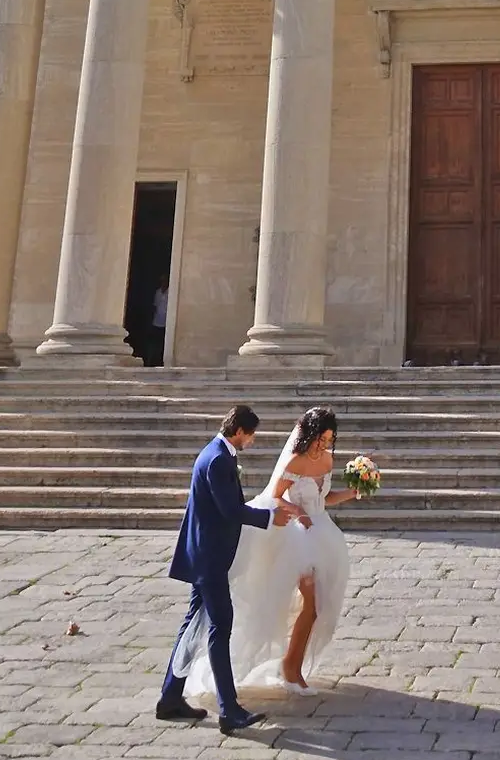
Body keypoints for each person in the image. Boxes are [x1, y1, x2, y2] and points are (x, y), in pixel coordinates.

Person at [184, 404, 358, 701]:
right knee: (311, 605)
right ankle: (291, 669)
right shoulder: (295, 461)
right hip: (298, 537)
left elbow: (324, 498)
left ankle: (292, 664)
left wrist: (353, 493)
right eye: (322, 438)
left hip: (322, 531)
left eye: (330, 440)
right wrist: (298, 512)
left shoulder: (327, 460)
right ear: (311, 435)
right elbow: (276, 498)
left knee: (318, 607)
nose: (326, 444)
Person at [156, 403, 306, 736]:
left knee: (194, 627)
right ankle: (229, 710)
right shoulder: (219, 460)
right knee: (219, 628)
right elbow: (229, 509)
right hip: (209, 558)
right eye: (251, 436)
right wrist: (268, 518)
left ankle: (170, 697)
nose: (252, 442)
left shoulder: (215, 454)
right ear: (239, 431)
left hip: (205, 555)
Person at [146, 277, 168, 367]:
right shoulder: (158, 292)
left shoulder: (171, 291)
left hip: (166, 323)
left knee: (163, 344)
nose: (163, 283)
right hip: (156, 321)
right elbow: (155, 306)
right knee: (154, 343)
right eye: (162, 281)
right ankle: (149, 362)